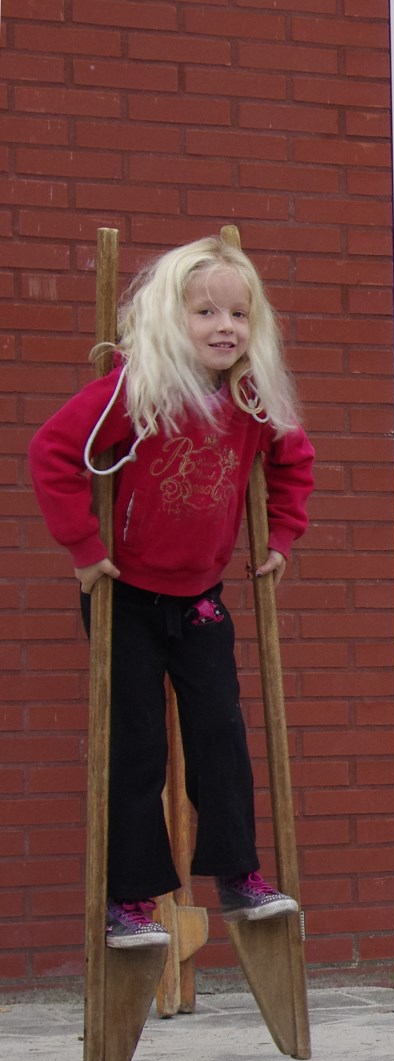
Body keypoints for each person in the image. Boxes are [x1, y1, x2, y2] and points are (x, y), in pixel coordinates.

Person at [29, 237, 314, 947]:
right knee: (136, 747)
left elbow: (293, 462)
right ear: (168, 317)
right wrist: (84, 551)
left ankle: (239, 876)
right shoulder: (136, 391)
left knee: (221, 734)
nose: (225, 326)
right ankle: (131, 899)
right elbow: (53, 453)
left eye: (239, 314)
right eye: (206, 311)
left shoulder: (251, 399)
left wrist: (281, 538)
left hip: (201, 598)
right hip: (124, 596)